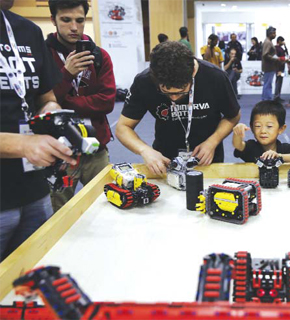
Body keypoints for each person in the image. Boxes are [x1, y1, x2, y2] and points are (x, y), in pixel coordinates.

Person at [0, 0, 76, 261]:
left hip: (33, 188)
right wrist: (21, 144)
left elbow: (47, 97)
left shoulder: (28, 31)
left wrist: (50, 114)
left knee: (32, 276)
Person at [116, 41, 241, 175]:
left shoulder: (215, 77)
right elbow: (123, 127)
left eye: (180, 92)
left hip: (207, 159)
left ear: (193, 72)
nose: (174, 98)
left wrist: (213, 141)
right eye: (166, 92)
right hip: (164, 161)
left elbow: (233, 115)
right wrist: (144, 150)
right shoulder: (144, 81)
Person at [46, 0, 116, 212]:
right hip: (58, 150)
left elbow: (107, 101)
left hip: (95, 148)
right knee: (60, 211)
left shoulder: (99, 56)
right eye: (66, 20)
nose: (74, 27)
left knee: (106, 206)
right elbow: (41, 103)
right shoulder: (43, 55)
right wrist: (66, 74)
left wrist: (65, 103)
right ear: (53, 20)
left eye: (79, 20)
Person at [233, 100, 290, 164]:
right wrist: (237, 133)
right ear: (252, 128)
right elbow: (238, 145)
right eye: (258, 126)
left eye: (269, 126)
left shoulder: (284, 148)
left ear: (281, 129)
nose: (263, 131)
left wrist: (279, 156)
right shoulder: (251, 147)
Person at [261, 26, 278, 101]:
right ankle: (267, 100)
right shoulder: (268, 42)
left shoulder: (268, 41)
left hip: (269, 66)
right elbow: (265, 54)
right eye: (274, 33)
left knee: (267, 84)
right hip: (269, 66)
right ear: (270, 33)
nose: (275, 35)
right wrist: (275, 59)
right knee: (268, 84)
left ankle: (266, 99)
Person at [274, 36, 288, 102]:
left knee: (280, 81)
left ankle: (278, 95)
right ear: (279, 41)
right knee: (278, 81)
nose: (283, 42)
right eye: (282, 41)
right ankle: (276, 96)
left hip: (282, 67)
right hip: (278, 67)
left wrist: (285, 46)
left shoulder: (281, 48)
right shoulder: (276, 48)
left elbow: (286, 53)